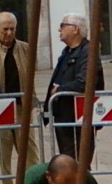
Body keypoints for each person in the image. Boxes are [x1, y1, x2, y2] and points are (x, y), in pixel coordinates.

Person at [0, 12, 39, 184]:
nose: (9, 33)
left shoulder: (26, 48)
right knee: (2, 154)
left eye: (12, 29)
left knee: (30, 152)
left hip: (22, 108)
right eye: (5, 29)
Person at [44, 13, 103, 161]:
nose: (59, 30)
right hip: (64, 115)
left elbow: (85, 82)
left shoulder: (88, 50)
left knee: (79, 161)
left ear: (75, 29)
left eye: (63, 26)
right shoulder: (67, 51)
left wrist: (59, 90)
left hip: (78, 116)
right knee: (68, 159)